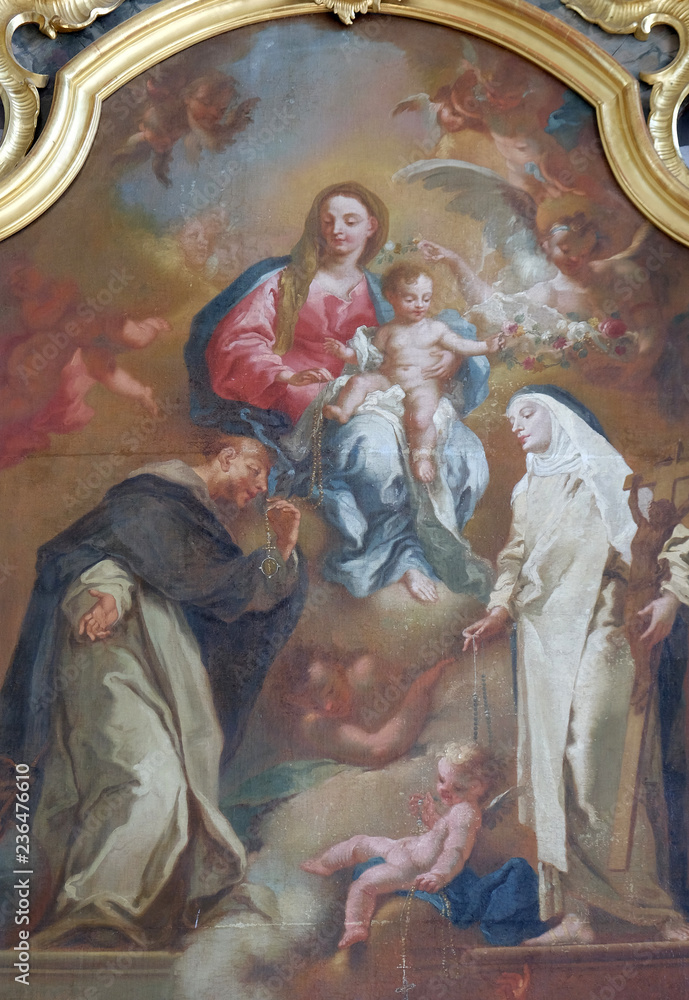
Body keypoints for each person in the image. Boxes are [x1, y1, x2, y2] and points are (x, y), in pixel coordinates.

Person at [0, 429, 306, 948]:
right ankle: (99, 908)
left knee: (170, 775)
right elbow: (85, 556)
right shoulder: (149, 500)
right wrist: (106, 596)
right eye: (255, 470)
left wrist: (281, 548)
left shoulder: (195, 525)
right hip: (107, 652)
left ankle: (119, 910)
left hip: (159, 656)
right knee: (145, 777)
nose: (259, 487)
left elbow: (240, 590)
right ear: (226, 457)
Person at [185, 182, 493, 604]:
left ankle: (420, 553)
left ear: (372, 227)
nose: (338, 230)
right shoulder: (286, 280)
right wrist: (283, 375)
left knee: (462, 452)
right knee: (372, 448)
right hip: (314, 398)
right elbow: (237, 342)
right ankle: (391, 558)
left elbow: (429, 331)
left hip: (381, 392)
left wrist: (452, 359)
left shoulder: (386, 291)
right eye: (328, 221)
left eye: (350, 221)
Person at [462, 386, 689, 944]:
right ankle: (577, 916)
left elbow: (671, 536)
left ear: (561, 414)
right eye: (511, 417)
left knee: (597, 758)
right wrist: (497, 611)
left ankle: (652, 909)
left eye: (528, 412)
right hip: (541, 643)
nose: (517, 425)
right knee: (553, 773)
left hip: (603, 629)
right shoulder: (526, 489)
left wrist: (672, 598)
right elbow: (515, 557)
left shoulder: (607, 473)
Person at [301, 742, 545, 948]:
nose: (444, 791)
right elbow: (442, 837)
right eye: (441, 781)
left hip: (411, 869)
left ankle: (356, 926)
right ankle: (325, 863)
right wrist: (431, 820)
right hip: (404, 851)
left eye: (455, 787)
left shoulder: (465, 814)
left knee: (363, 885)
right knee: (359, 842)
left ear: (477, 788)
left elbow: (456, 851)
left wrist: (439, 874)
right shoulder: (458, 810)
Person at [322, 262, 503, 482]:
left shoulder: (435, 329)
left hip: (423, 385)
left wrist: (486, 346)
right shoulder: (387, 331)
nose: (419, 305)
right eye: (410, 299)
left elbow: (462, 345)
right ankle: (343, 410)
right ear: (391, 297)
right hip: (389, 379)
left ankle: (422, 456)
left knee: (419, 419)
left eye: (426, 299)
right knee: (360, 381)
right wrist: (345, 353)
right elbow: (370, 358)